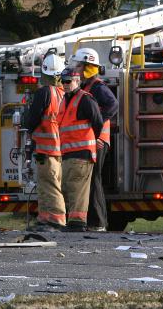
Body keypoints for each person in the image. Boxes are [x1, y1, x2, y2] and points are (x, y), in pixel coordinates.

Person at [70, 47, 118, 232]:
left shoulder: (97, 87)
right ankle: (94, 221)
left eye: (79, 65)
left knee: (94, 179)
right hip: (93, 140)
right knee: (90, 180)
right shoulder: (87, 87)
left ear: (88, 66)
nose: (77, 69)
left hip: (98, 141)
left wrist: (96, 124)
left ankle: (98, 223)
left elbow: (112, 105)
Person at [58, 67, 103, 232]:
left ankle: (77, 222)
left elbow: (97, 122)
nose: (65, 84)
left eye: (68, 81)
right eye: (63, 81)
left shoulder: (85, 99)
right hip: (67, 153)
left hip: (82, 152)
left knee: (77, 188)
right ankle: (73, 220)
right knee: (67, 186)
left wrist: (93, 139)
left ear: (77, 81)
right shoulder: (65, 99)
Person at [24, 54, 66, 232]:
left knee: (49, 185)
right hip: (58, 148)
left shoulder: (44, 93)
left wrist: (26, 122)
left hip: (45, 147)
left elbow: (31, 119)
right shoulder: (63, 94)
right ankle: (44, 219)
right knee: (46, 184)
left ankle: (56, 220)